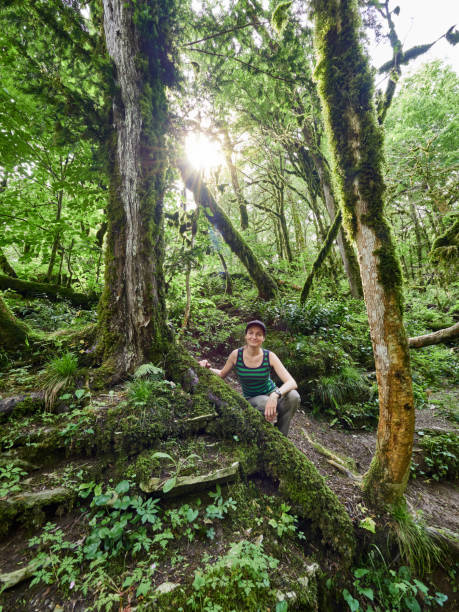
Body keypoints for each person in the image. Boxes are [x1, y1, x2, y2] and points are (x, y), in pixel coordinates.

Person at [199, 320, 300, 436]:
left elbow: (291, 382)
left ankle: (281, 436)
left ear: (263, 338)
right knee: (264, 402)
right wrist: (207, 368)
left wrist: (275, 394)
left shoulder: (269, 356)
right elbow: (222, 374)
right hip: (252, 399)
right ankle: (264, 436)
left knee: (294, 396)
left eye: (259, 334)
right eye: (251, 333)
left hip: (272, 394)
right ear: (246, 336)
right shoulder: (236, 355)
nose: (254, 337)